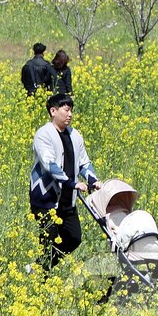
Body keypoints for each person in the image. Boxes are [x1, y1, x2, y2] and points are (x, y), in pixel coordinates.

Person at [30, 93, 100, 271]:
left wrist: (93, 180)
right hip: (46, 199)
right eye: (66, 110)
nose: (70, 114)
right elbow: (49, 164)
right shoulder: (43, 134)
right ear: (53, 111)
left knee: (74, 238)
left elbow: (84, 162)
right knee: (48, 240)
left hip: (68, 200)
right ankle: (41, 277)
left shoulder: (75, 135)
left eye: (71, 111)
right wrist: (72, 183)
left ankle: (37, 268)